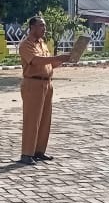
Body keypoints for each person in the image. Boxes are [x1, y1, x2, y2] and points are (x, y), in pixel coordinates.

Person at [18, 16, 70, 165]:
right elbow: (35, 61)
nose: (44, 29)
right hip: (33, 84)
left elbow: (49, 64)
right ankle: (27, 153)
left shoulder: (43, 44)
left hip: (47, 84)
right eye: (41, 25)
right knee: (32, 120)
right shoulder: (26, 45)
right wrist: (57, 57)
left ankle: (39, 151)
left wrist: (63, 60)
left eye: (44, 26)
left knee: (45, 119)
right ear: (32, 27)